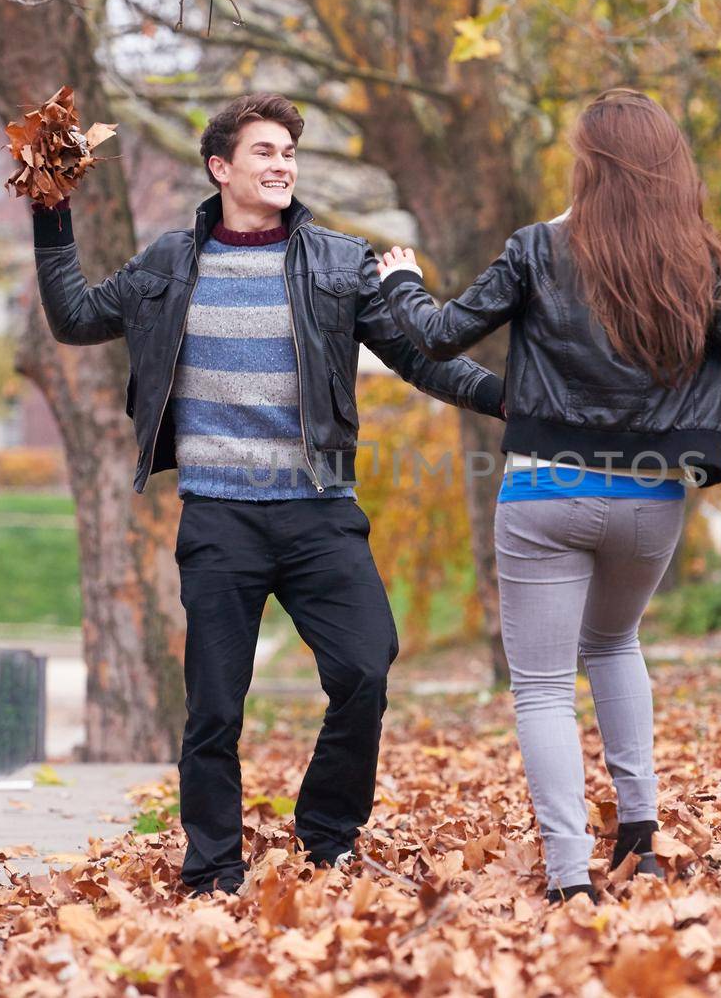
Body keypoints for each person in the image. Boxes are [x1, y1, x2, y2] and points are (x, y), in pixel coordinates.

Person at [28, 93, 504, 896]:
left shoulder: (339, 262)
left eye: (289, 152)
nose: (281, 164)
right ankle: (212, 867)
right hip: (220, 519)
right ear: (220, 169)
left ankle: (328, 834)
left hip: (318, 511)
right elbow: (75, 319)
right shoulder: (165, 265)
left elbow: (424, 362)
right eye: (264, 151)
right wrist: (51, 214)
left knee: (365, 668)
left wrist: (516, 399)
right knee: (214, 707)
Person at [376, 89, 721, 903]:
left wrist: (402, 280)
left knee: (544, 687)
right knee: (615, 645)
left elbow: (439, 333)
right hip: (653, 500)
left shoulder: (537, 249)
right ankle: (642, 841)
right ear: (668, 169)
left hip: (546, 489)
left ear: (589, 166)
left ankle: (567, 878)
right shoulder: (698, 260)